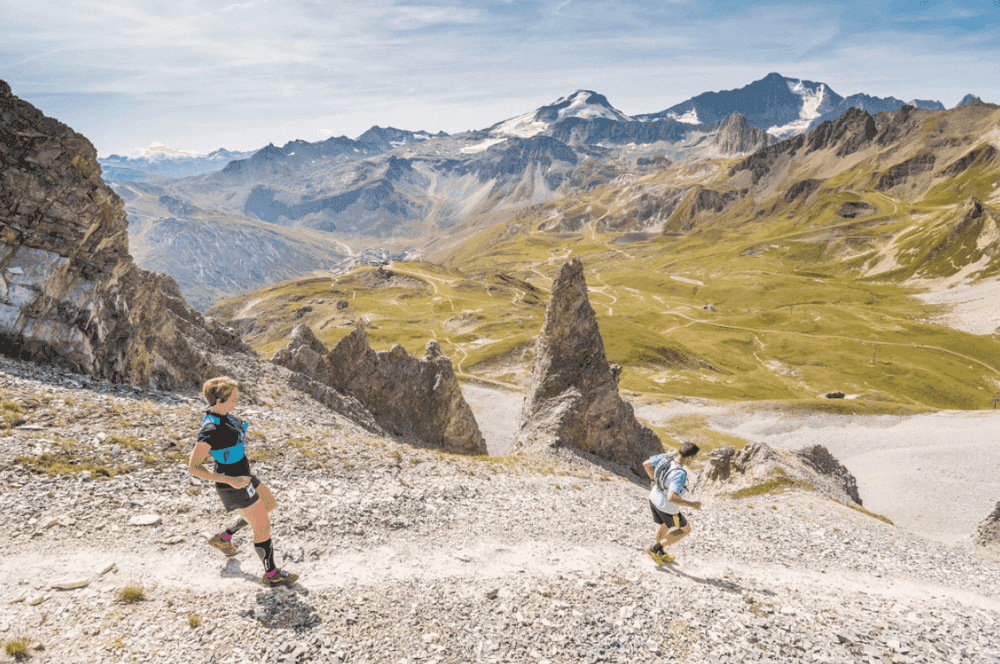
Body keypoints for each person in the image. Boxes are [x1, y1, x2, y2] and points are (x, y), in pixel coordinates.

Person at [188, 376, 299, 587]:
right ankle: (271, 574)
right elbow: (194, 467)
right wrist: (229, 479)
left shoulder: (224, 416)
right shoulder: (210, 430)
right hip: (233, 484)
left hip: (244, 475)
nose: (237, 401)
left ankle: (224, 537)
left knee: (269, 504)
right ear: (219, 400)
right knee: (262, 526)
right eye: (234, 398)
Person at [643, 442, 701, 565]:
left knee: (665, 524)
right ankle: (655, 548)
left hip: (653, 497)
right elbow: (672, 497)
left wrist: (653, 479)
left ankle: (660, 552)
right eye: (694, 457)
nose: (694, 459)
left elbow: (646, 464)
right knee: (685, 529)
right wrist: (692, 504)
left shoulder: (666, 456)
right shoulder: (679, 473)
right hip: (666, 506)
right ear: (690, 457)